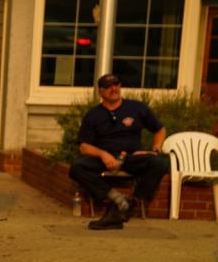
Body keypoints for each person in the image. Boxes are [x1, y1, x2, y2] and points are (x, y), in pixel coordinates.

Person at [69, 74, 168, 230]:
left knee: (160, 162)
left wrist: (155, 148)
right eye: (108, 86)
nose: (113, 89)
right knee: (77, 167)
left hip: (131, 157)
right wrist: (103, 154)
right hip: (105, 159)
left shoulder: (137, 108)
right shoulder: (93, 115)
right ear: (100, 91)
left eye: (116, 84)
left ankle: (131, 203)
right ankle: (117, 200)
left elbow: (160, 129)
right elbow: (84, 146)